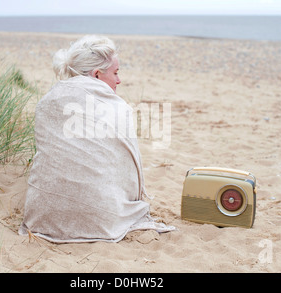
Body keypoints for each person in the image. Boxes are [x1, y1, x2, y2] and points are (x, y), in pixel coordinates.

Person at [19, 35, 174, 243]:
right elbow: (127, 175)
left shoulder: (47, 101)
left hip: (41, 221)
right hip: (104, 222)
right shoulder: (118, 109)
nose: (119, 80)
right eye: (116, 72)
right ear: (97, 75)